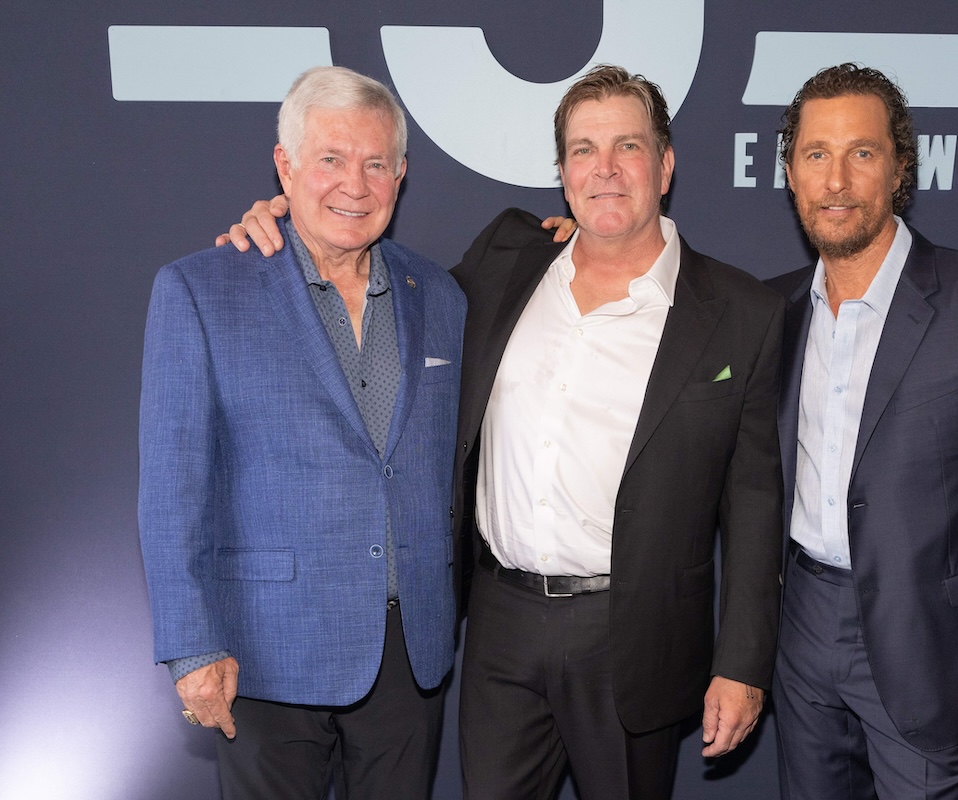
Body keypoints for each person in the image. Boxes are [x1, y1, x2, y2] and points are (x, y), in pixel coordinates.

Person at [225, 64, 785, 800]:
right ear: (561, 171)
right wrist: (288, 218)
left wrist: (742, 664)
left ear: (666, 163)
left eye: (628, 147)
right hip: (500, 627)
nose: (606, 169)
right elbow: (363, 273)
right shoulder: (505, 263)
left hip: (635, 634)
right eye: (584, 150)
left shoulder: (740, 309)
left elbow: (754, 507)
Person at [139, 65, 466, 799]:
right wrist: (192, 647)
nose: (355, 183)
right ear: (284, 166)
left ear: (402, 175)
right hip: (265, 650)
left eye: (376, 163)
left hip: (406, 654)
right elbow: (171, 490)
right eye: (331, 159)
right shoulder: (200, 289)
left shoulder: (438, 295)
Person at [767, 63, 958, 799]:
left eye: (862, 153)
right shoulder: (772, 309)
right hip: (800, 625)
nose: (836, 180)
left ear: (900, 166)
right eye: (816, 155)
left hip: (929, 638)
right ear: (791, 172)